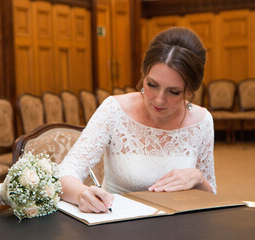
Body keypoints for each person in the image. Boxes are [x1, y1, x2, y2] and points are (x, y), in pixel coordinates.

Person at [59, 27, 216, 213]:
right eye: (152, 85)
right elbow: (64, 173)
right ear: (143, 75)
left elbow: (212, 197)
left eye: (174, 92)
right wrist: (80, 194)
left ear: (190, 91)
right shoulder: (114, 109)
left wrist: (198, 178)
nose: (158, 100)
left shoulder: (202, 121)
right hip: (120, 224)